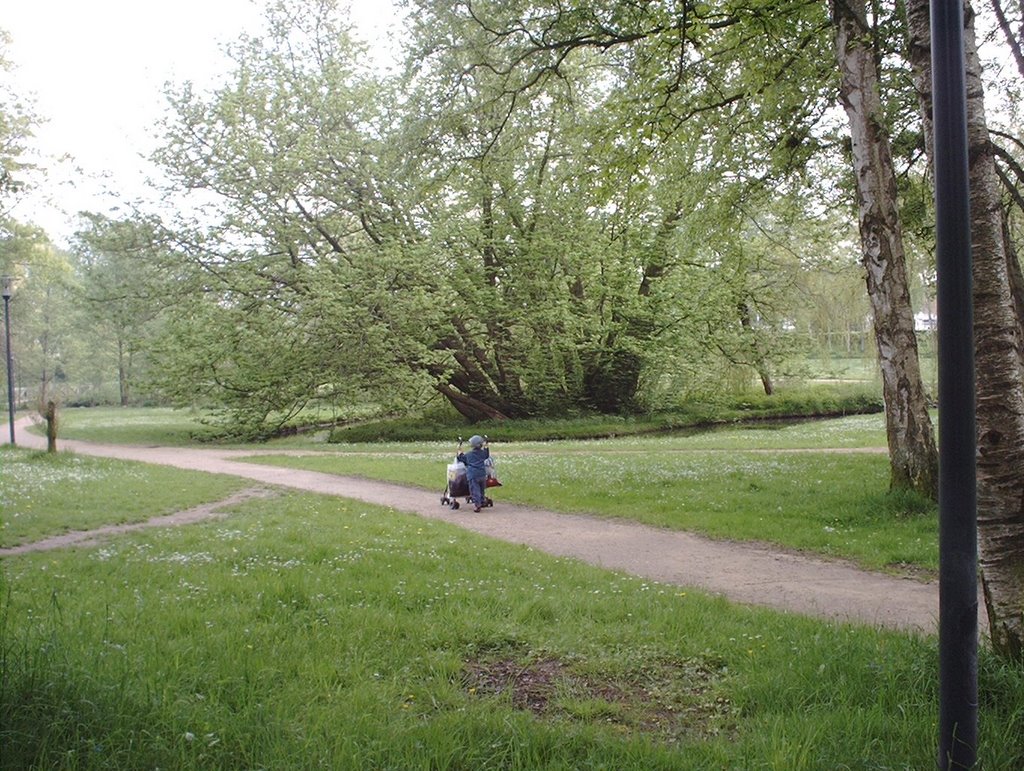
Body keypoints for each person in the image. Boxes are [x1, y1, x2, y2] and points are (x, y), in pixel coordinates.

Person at [456, 434, 489, 512]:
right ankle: (482, 501)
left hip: (473, 475)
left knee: (475, 490)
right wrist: (487, 444)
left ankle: (477, 505)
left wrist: (459, 448)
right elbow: (487, 453)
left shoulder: (469, 455)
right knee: (481, 489)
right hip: (482, 474)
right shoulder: (483, 453)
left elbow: (460, 458)